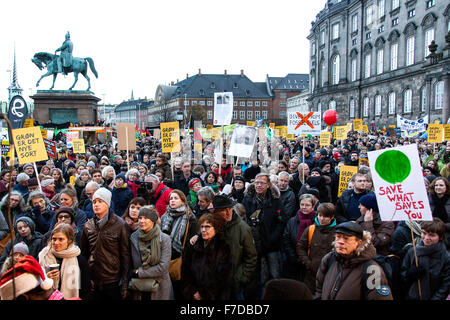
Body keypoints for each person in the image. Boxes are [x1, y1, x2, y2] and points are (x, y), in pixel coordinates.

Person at [315, 221, 393, 300]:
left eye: (346, 238)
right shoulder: (329, 259)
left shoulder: (372, 269)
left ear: (358, 242)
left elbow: (380, 297)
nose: (340, 242)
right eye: (338, 237)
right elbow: (319, 290)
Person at [80, 187, 130, 300]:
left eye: (100, 201)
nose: (96, 205)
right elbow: (85, 253)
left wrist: (125, 282)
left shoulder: (120, 225)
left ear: (107, 203)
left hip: (113, 279)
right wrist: (87, 277)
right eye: (94, 202)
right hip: (93, 278)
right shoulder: (88, 226)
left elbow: (125, 255)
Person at [242, 173, 285, 296]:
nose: (259, 185)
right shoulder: (247, 199)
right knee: (256, 275)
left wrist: (273, 238)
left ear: (268, 185)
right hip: (254, 243)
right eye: (257, 182)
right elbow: (244, 219)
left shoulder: (275, 200)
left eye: (262, 183)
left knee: (274, 274)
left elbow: (280, 222)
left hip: (271, 244)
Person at [181, 213, 232, 300]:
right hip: (192, 295)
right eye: (202, 226)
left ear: (216, 228)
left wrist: (203, 293)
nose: (203, 230)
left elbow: (222, 277)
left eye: (207, 227)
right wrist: (192, 291)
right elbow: (185, 271)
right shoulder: (194, 245)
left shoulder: (223, 247)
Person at [160, 189, 199, 299]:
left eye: (176, 198)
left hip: (182, 259)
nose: (172, 201)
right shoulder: (164, 216)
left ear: (183, 201)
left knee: (179, 291)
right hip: (164, 258)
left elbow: (195, 237)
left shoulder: (190, 218)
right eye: (171, 198)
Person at [38, 223, 91, 300]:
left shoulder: (79, 260)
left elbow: (86, 289)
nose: (56, 243)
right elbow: (35, 284)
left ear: (69, 240)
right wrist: (46, 278)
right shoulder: (43, 255)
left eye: (61, 239)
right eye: (54, 239)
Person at [128, 206, 172, 300]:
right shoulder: (134, 237)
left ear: (153, 220)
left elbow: (163, 267)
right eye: (140, 218)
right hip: (139, 286)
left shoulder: (164, 239)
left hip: (159, 286)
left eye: (146, 218)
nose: (142, 221)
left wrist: (139, 272)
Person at [401, 218, 450, 300]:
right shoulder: (413, 251)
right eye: (424, 233)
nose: (426, 238)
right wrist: (409, 274)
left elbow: (446, 286)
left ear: (440, 237)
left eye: (432, 235)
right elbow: (403, 274)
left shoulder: (446, 257)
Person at [296, 203, 337, 294]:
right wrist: (308, 263)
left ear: (332, 217)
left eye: (325, 216)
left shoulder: (338, 232)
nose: (322, 219)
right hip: (311, 274)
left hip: (330, 274)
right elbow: (300, 247)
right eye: (320, 215)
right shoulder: (311, 229)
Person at [282, 194, 316, 281]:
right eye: (302, 204)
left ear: (313, 206)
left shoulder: (317, 222)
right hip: (293, 261)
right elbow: (286, 239)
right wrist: (292, 256)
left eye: (307, 205)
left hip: (310, 261)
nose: (304, 207)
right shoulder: (292, 221)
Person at [427, 177, 450, 248]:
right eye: (436, 185)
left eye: (441, 185)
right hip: (430, 233)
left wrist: (442, 226)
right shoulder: (428, 200)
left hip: (447, 234)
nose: (438, 187)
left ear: (447, 187)